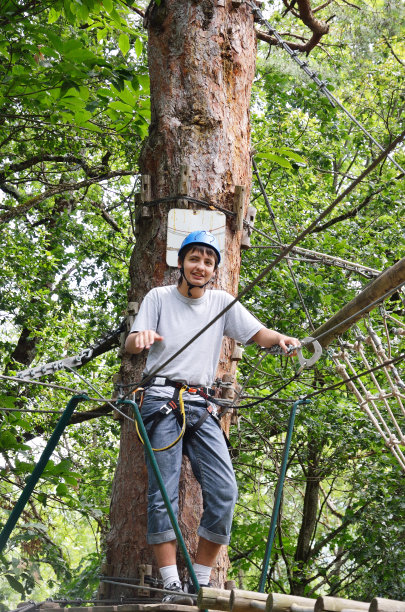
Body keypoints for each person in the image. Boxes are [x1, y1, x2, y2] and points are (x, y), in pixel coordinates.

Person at [125, 230, 300, 603]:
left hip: (201, 405)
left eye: (208, 261)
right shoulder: (159, 297)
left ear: (215, 269)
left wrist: (282, 339)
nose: (200, 266)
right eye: (194, 259)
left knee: (224, 491)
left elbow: (258, 334)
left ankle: (199, 582)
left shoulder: (222, 302)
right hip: (161, 400)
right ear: (181, 263)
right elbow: (133, 337)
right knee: (164, 493)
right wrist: (138, 340)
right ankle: (171, 582)